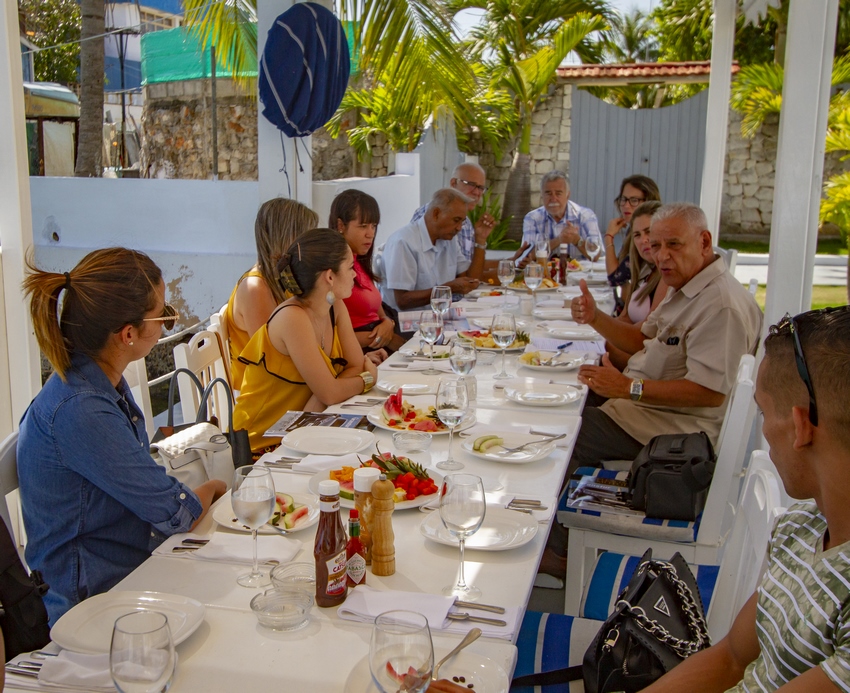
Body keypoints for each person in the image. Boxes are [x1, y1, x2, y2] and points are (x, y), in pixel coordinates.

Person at [643, 306, 850, 693]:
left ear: (800, 427)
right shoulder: (801, 527)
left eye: (763, 412)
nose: (764, 430)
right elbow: (731, 659)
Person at [17, 248, 226, 625]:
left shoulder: (96, 382)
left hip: (128, 569)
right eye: (164, 315)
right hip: (92, 606)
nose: (167, 323)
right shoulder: (82, 409)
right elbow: (176, 514)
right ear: (129, 334)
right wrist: (217, 486)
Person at [568, 202, 762, 473]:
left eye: (674, 244)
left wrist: (628, 387)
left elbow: (708, 392)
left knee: (563, 434)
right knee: (564, 398)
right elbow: (641, 339)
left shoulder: (721, 305)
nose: (662, 256)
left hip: (671, 431)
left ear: (704, 242)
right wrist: (595, 317)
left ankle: (546, 512)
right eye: (656, 246)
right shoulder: (687, 283)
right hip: (644, 409)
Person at [232, 229, 379, 453]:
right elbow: (331, 392)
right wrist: (368, 379)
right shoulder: (293, 318)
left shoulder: (335, 306)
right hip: (262, 443)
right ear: (330, 276)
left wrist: (322, 397)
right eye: (350, 268)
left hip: (304, 430)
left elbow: (354, 367)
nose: (355, 275)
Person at [223, 198, 318, 389]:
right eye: (306, 238)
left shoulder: (282, 281)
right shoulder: (256, 288)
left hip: (286, 385)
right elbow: (275, 358)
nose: (311, 247)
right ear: (286, 239)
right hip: (262, 396)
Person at [382, 188, 485, 311]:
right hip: (406, 323)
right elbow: (402, 300)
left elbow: (468, 279)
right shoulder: (404, 242)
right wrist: (447, 289)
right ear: (436, 214)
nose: (459, 228)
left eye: (462, 222)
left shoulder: (450, 239)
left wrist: (481, 239)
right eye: (456, 220)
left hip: (440, 317)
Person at [329, 189, 405, 354]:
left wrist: (387, 322)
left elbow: (378, 310)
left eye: (374, 226)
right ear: (341, 225)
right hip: (361, 352)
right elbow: (327, 336)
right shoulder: (331, 269)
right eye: (363, 226)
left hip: (379, 344)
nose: (370, 234)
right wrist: (381, 336)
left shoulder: (359, 261)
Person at [596, 200, 669, 370]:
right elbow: (626, 317)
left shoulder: (667, 277)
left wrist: (597, 320)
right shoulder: (644, 268)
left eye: (648, 232)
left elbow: (645, 335)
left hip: (646, 363)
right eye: (637, 235)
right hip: (630, 354)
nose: (644, 240)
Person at [410, 162, 496, 261]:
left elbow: (467, 268)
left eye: (481, 188)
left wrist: (480, 239)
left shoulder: (466, 222)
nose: (477, 192)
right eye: (471, 185)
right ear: (453, 183)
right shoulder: (428, 215)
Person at [521, 170, 600, 259]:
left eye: (558, 193)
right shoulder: (532, 218)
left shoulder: (586, 216)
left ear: (567, 195)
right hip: (545, 272)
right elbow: (528, 256)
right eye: (548, 193)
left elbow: (596, 255)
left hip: (581, 272)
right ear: (542, 195)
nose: (553, 198)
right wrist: (559, 240)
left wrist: (577, 240)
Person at [603, 174, 661, 291]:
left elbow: (615, 278)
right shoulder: (632, 230)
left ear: (649, 202)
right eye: (623, 199)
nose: (626, 205)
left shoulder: (651, 234)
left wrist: (609, 237)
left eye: (634, 200)